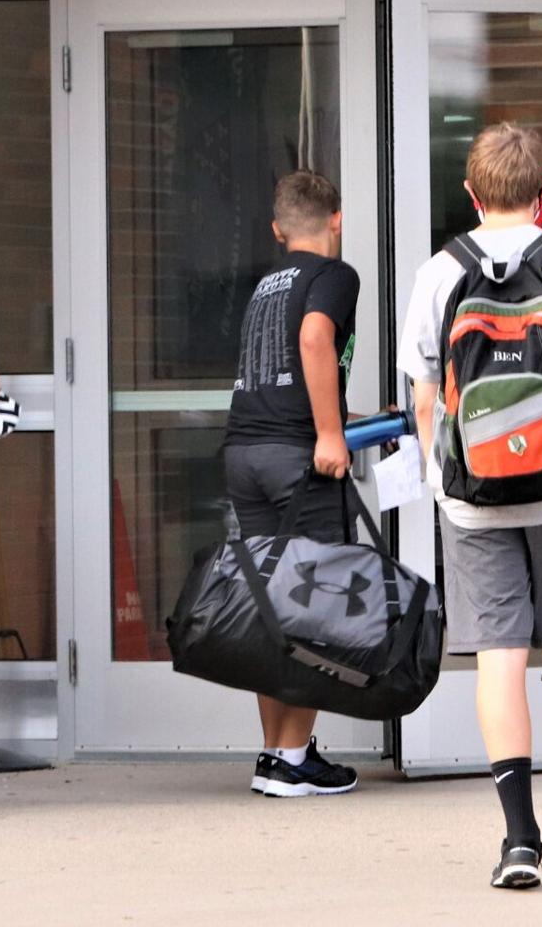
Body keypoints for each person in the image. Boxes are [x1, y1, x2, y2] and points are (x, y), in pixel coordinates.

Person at [397, 123, 542, 888]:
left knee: (499, 654)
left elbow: (426, 402)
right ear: (541, 188)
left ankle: (519, 839)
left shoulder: (437, 273)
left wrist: (444, 482)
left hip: (472, 499)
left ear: (472, 192)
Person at [223, 169, 362, 798]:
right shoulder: (334, 275)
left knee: (272, 604)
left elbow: (280, 369)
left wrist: (342, 419)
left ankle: (275, 753)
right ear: (336, 219)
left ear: (277, 230)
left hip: (245, 452)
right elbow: (314, 339)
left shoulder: (265, 285)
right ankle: (295, 756)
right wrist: (330, 435)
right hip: (294, 461)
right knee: (314, 600)